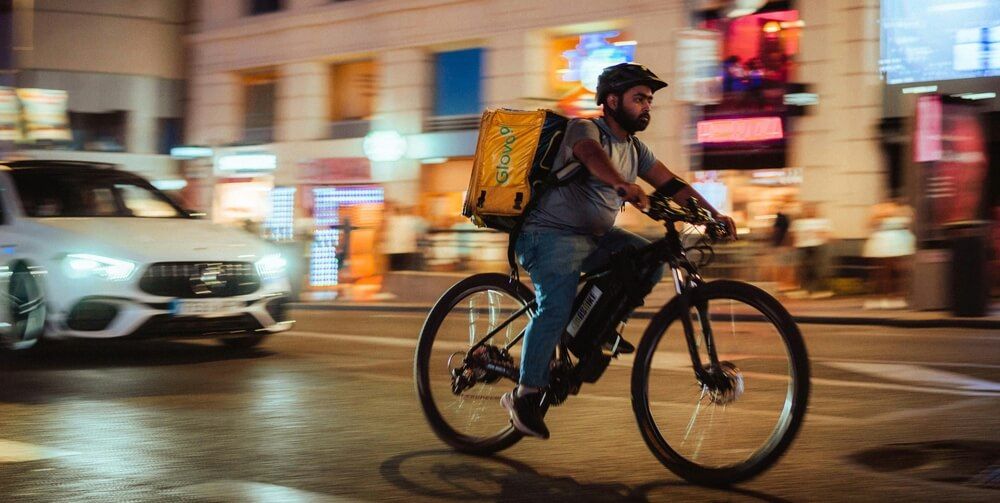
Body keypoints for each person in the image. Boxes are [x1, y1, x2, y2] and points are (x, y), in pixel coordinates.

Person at [500, 62, 736, 439]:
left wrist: (713, 214)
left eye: (649, 100)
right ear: (612, 101)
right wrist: (621, 184)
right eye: (639, 98)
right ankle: (525, 394)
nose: (647, 106)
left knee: (649, 261)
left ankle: (596, 325)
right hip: (548, 235)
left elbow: (671, 183)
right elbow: (591, 156)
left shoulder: (635, 148)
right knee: (554, 307)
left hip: (594, 238)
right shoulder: (585, 129)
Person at [862, 199, 915, 309]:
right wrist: (878, 217)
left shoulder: (902, 213)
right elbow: (869, 225)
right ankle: (881, 297)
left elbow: (909, 221)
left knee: (897, 272)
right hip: (882, 246)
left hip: (897, 246)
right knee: (881, 273)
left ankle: (896, 297)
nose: (888, 208)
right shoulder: (878, 215)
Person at [790, 203, 833, 298]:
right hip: (802, 247)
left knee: (815, 268)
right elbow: (793, 235)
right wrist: (793, 244)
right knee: (804, 268)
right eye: (808, 209)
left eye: (812, 209)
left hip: (816, 247)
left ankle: (814, 289)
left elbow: (827, 234)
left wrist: (825, 237)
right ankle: (805, 288)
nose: (810, 211)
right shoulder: (798, 223)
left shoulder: (821, 222)